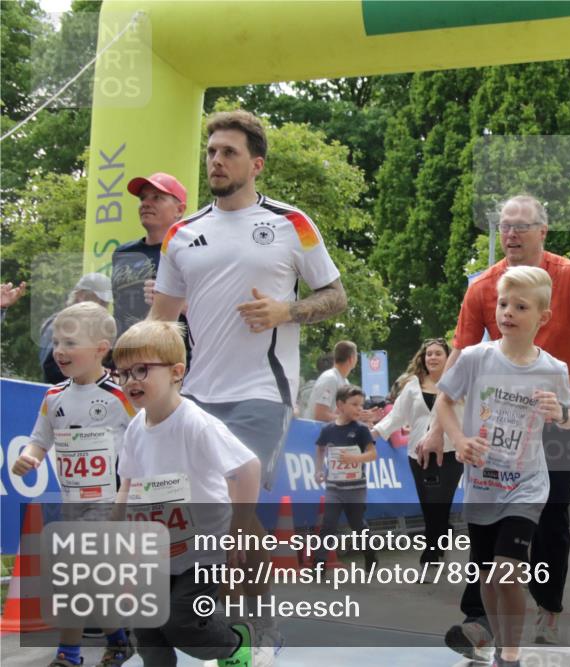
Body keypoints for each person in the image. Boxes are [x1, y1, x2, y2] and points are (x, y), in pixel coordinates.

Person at [149, 109, 347, 660]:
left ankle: (255, 628)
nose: (216, 160)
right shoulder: (181, 235)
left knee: (240, 505)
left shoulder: (292, 222)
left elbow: (335, 296)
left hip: (264, 392)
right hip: (196, 396)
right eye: (211, 152)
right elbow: (162, 324)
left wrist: (287, 309)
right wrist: (142, 375)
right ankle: (212, 623)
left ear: (255, 163)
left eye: (229, 152)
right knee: (202, 512)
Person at [420, 194, 570, 654]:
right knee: (488, 519)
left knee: (550, 515)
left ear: (542, 232)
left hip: (558, 411)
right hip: (500, 416)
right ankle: (479, 619)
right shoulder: (483, 288)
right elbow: (460, 354)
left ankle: (547, 608)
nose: (510, 234)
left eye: (520, 226)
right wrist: (437, 426)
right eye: (504, 226)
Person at [435, 266, 570, 667]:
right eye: (502, 304)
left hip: (526, 484)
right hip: (481, 483)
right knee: (485, 574)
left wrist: (560, 410)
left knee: (506, 573)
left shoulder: (552, 369)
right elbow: (445, 401)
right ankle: (499, 648)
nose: (507, 312)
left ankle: (510, 656)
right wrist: (459, 441)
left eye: (520, 306)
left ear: (542, 317)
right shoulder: (477, 359)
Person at [112, 320, 261, 667]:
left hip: (202, 547)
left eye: (141, 370)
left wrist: (237, 533)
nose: (130, 380)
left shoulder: (195, 423)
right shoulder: (136, 428)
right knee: (147, 626)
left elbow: (248, 468)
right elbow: (127, 486)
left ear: (176, 372)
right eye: (123, 373)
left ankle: (235, 645)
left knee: (181, 622)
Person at [11, 302, 135, 667]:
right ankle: (118, 639)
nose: (59, 351)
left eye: (69, 342)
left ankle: (69, 655)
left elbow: (147, 437)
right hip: (70, 503)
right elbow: (39, 439)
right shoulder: (53, 397)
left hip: (110, 506)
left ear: (101, 348)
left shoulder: (121, 397)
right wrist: (30, 457)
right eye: (55, 342)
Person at [372, 338, 461, 564]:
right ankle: (442, 534)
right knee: (428, 505)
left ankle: (430, 553)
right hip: (418, 455)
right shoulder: (412, 386)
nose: (432, 357)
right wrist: (374, 432)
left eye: (437, 353)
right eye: (428, 354)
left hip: (449, 453)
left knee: (440, 502)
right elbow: (396, 416)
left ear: (448, 357)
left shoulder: (459, 384)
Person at [114, 172, 188, 337]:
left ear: (180, 209)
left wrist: (170, 301)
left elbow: (214, 314)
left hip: (175, 357)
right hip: (126, 355)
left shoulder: (193, 252)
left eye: (157, 198)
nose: (146, 204)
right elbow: (119, 310)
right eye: (142, 198)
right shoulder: (124, 253)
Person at [313, 384, 379, 567]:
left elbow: (372, 454)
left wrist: (354, 458)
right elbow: (320, 449)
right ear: (340, 405)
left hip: (355, 488)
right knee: (328, 524)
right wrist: (318, 470)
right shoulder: (328, 430)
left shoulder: (361, 430)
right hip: (334, 487)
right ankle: (319, 563)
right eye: (354, 404)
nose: (359, 408)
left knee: (357, 524)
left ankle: (369, 553)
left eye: (361, 405)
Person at [39, 273, 113, 384]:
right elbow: (51, 369)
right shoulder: (59, 323)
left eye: (105, 302)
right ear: (81, 295)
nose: (103, 305)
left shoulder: (98, 327)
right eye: (99, 299)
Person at [305, 340, 357, 421]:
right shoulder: (330, 378)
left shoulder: (344, 381)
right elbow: (320, 415)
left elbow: (339, 413)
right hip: (316, 431)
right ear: (351, 359)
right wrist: (349, 419)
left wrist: (360, 415)